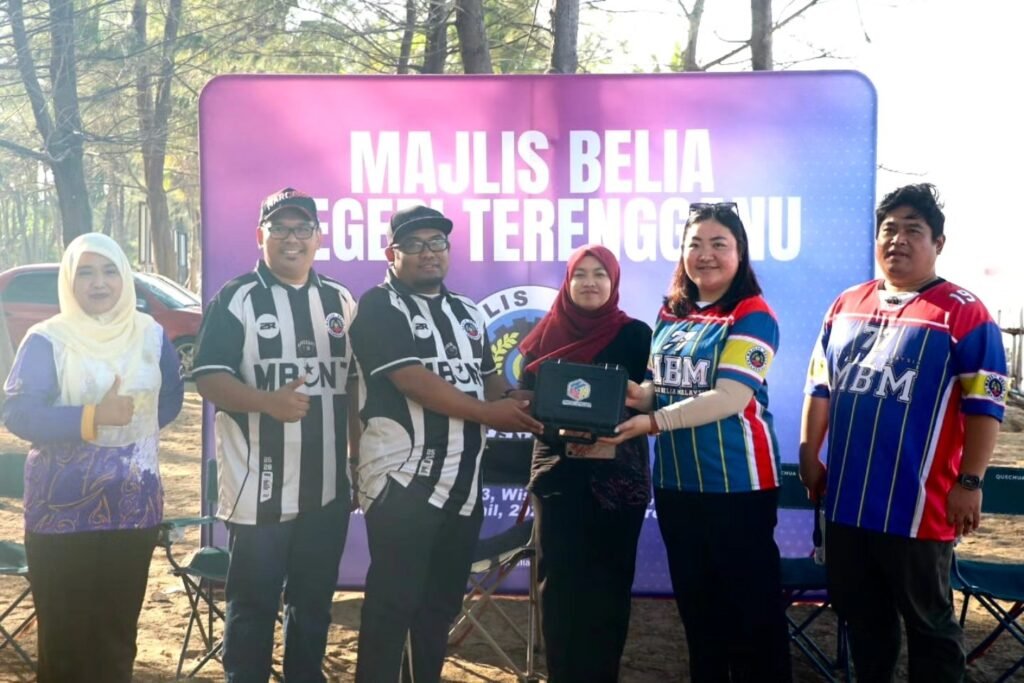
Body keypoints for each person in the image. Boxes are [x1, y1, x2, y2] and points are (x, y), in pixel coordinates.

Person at [798, 183, 1008, 682]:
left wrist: (970, 482)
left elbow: (986, 408)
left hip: (919, 510)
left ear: (938, 243)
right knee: (864, 624)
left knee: (930, 629)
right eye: (889, 229)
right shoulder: (845, 304)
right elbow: (820, 386)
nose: (898, 239)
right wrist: (809, 454)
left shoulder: (964, 313)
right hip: (847, 503)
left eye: (914, 229)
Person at [349, 205, 543, 683]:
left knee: (439, 609)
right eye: (415, 244)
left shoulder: (467, 312)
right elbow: (412, 381)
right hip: (402, 481)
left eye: (437, 242)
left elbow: (488, 380)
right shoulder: (378, 306)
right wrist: (488, 413)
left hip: (463, 488)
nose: (429, 252)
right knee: (391, 606)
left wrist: (524, 401)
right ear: (391, 253)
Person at [608, 202, 791, 682]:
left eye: (718, 244)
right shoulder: (672, 312)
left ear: (739, 252)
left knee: (752, 621)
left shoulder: (754, 315)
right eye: (695, 244)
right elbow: (659, 387)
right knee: (698, 615)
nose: (705, 254)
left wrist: (652, 422)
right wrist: (633, 396)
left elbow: (729, 397)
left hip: (738, 488)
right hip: (677, 486)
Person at [191, 187, 358, 682]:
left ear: (318, 237)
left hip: (327, 488)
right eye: (279, 228)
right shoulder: (237, 298)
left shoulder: (340, 301)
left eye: (302, 228)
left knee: (313, 605)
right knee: (252, 606)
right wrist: (268, 402)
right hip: (258, 487)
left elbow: (354, 386)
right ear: (259, 236)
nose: (291, 238)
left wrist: (355, 459)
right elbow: (209, 378)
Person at [2, 233, 185, 682]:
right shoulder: (48, 339)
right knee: (64, 646)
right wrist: (92, 418)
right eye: (85, 272)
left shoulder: (150, 335)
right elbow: (19, 412)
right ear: (69, 280)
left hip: (133, 510)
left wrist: (128, 432)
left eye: (109, 271)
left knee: (116, 642)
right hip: (61, 514)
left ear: (125, 278)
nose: (98, 282)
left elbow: (171, 397)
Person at [516, 244, 652, 683]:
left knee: (609, 588)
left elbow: (654, 400)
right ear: (567, 281)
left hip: (618, 482)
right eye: (580, 274)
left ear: (614, 281)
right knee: (559, 588)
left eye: (600, 274)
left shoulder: (637, 336)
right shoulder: (544, 336)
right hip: (559, 478)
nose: (589, 282)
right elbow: (529, 405)